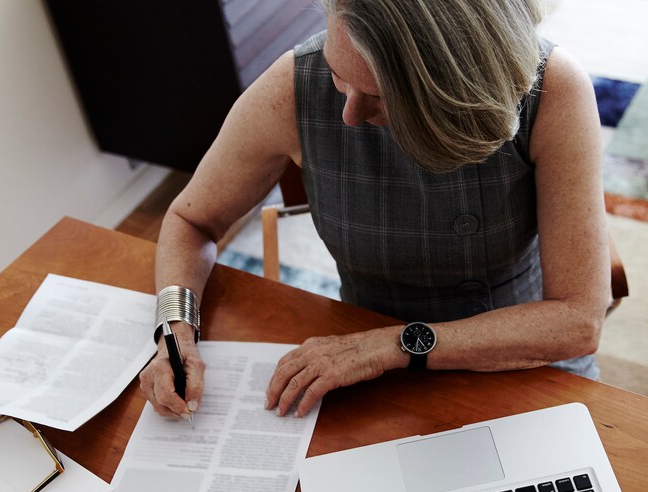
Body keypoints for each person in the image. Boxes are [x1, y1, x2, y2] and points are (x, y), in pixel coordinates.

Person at [139, 0, 609, 422]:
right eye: (339, 77)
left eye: (379, 95)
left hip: (519, 357)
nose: (349, 116)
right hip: (366, 371)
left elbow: (578, 322)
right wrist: (175, 330)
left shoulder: (553, 89)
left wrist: (392, 345)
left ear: (451, 87)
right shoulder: (291, 88)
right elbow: (191, 219)